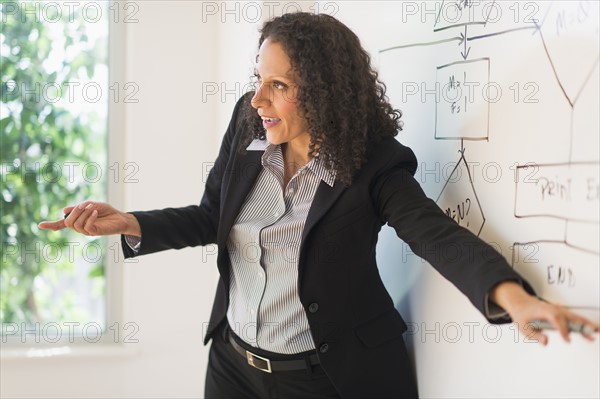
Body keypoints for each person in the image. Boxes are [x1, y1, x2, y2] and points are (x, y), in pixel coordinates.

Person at [39, 12, 598, 399]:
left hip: (324, 376)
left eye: (277, 85)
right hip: (233, 365)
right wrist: (130, 222)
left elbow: (436, 236)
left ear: (324, 92)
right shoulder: (247, 123)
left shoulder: (373, 165)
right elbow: (213, 216)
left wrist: (513, 300)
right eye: (258, 79)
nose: (258, 99)